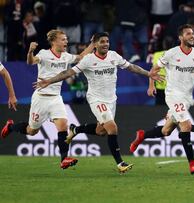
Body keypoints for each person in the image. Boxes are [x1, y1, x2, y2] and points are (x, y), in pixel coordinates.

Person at [34, 32, 162, 173]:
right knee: (112, 128)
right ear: (95, 44)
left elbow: (131, 67)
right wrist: (49, 81)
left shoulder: (114, 56)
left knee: (101, 131)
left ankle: (75, 130)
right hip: (96, 99)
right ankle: (120, 163)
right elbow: (68, 73)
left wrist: (148, 73)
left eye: (107, 41)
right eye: (102, 41)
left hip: (111, 100)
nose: (105, 44)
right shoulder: (88, 60)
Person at [0, 29, 94, 169]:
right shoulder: (44, 54)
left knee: (63, 125)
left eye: (66, 39)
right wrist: (30, 51)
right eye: (63, 39)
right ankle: (11, 126)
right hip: (41, 98)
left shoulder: (66, 56)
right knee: (32, 131)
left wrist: (92, 44)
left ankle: (64, 159)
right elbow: (31, 61)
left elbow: (80, 57)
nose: (66, 41)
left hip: (56, 98)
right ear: (54, 41)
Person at [129, 24, 194, 175]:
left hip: (187, 97)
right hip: (173, 95)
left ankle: (143, 135)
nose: (192, 36)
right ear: (181, 37)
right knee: (186, 125)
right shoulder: (171, 54)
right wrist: (151, 85)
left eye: (193, 33)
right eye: (188, 34)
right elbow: (154, 69)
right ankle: (192, 163)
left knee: (166, 131)